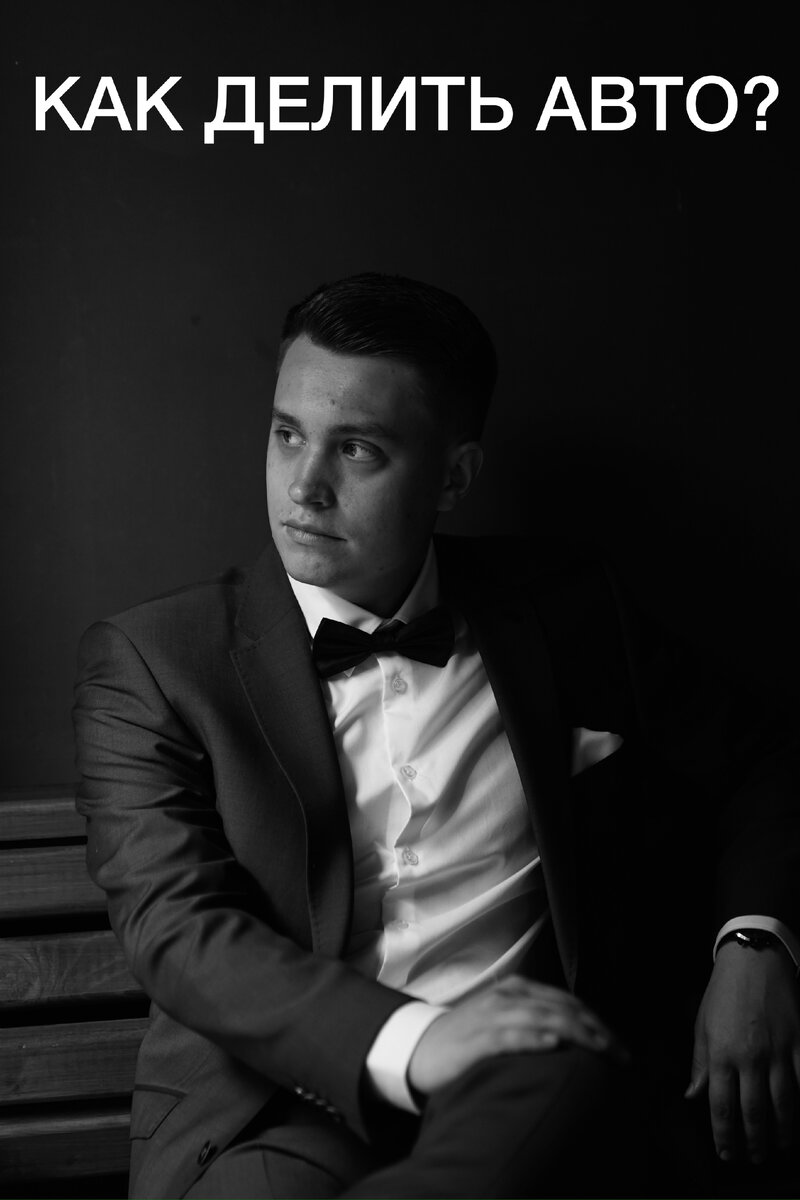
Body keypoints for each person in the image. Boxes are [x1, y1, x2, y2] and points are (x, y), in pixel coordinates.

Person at [73, 272, 800, 1199]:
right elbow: (178, 929)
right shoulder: (155, 661)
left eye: (357, 450)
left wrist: (755, 946)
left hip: (527, 1091)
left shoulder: (567, 610)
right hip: (276, 1104)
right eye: (287, 433)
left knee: (563, 1074)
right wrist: (416, 1040)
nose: (305, 486)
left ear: (453, 477)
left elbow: (763, 761)